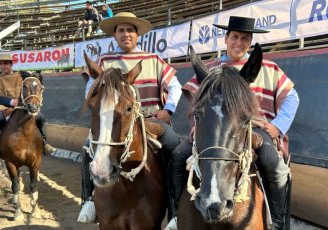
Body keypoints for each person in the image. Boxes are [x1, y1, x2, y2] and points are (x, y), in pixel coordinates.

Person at [166, 16, 299, 230]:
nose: (239, 42)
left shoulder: (267, 67)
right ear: (226, 38)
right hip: (213, 130)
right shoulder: (211, 68)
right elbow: (194, 101)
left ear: (250, 41)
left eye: (244, 38)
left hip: (253, 129)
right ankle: (176, 215)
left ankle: (277, 221)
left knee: (273, 164)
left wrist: (278, 126)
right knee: (178, 156)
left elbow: (292, 97)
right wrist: (195, 126)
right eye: (234, 37)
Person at [77, 12, 182, 223]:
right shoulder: (104, 61)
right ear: (115, 35)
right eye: (121, 30)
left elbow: (175, 86)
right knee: (88, 146)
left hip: (151, 120)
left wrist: (167, 110)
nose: (126, 34)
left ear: (137, 35)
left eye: (130, 30)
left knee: (175, 148)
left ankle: (175, 210)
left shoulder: (153, 59)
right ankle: (88, 199)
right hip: (116, 121)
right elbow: (91, 89)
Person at [0, 52, 56, 160]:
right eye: (0, 64)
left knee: (41, 118)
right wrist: (10, 102)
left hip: (23, 105)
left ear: (11, 64)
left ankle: (45, 144)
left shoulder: (22, 76)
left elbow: (33, 85)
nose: (3, 66)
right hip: (3, 106)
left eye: (5, 63)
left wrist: (28, 101)